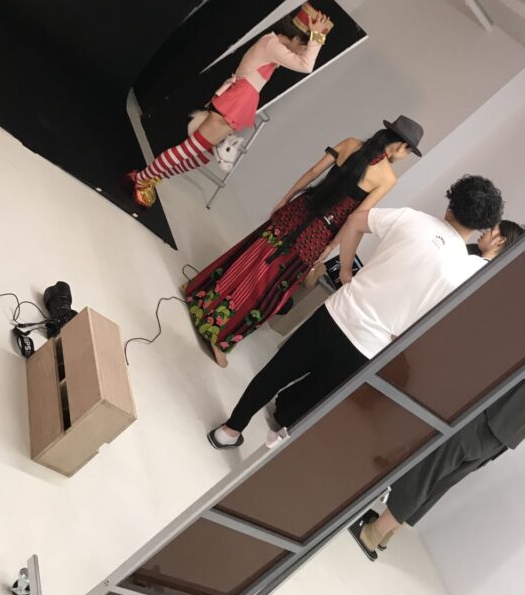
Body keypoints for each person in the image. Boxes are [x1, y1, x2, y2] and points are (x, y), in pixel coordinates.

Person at [207, 174, 505, 448]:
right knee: (313, 404)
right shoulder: (468, 269)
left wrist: (346, 270)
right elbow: (486, 279)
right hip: (368, 347)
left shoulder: (411, 219)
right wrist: (490, 252)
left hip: (338, 313)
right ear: (483, 225)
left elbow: (355, 221)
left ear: (451, 201)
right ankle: (269, 448)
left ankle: (229, 431)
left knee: (276, 372)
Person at [349, 314, 525, 560]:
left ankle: (372, 534)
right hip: (495, 442)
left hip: (480, 425)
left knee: (425, 475)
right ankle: (387, 534)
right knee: (438, 483)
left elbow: (513, 373)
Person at [184, 116, 424, 367]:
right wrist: (331, 246)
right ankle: (219, 337)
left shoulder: (351, 143)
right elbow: (356, 218)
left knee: (253, 255)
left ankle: (200, 296)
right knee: (271, 285)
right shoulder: (388, 178)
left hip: (299, 209)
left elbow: (313, 172)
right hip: (317, 235)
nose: (405, 156)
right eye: (409, 152)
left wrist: (286, 198)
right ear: (402, 146)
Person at [125, 5, 332, 208]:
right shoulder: (273, 45)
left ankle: (152, 177)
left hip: (236, 103)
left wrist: (317, 36)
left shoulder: (272, 43)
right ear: (295, 39)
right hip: (234, 104)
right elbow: (306, 65)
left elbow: (303, 60)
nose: (304, 50)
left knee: (201, 157)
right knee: (190, 149)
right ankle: (141, 178)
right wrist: (317, 36)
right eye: (304, 45)